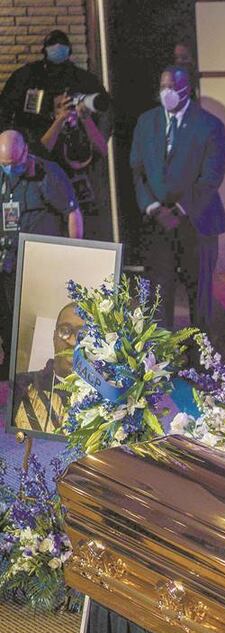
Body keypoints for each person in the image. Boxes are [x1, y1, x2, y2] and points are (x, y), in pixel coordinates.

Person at [131, 66, 225, 331]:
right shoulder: (146, 122)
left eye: (173, 87)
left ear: (188, 88)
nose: (167, 92)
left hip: (197, 224)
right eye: (163, 87)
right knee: (158, 302)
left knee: (200, 304)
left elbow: (211, 178)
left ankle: (203, 363)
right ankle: (162, 366)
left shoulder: (210, 125)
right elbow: (137, 170)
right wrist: (153, 208)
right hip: (156, 225)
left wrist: (180, 210)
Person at [0, 130, 82, 378]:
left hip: (38, 261)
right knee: (7, 319)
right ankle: (9, 372)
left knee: (30, 320)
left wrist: (74, 251)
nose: (10, 170)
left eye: (14, 164)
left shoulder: (48, 174)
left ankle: (32, 371)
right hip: (7, 261)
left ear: (26, 152)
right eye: (4, 165)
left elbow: (72, 212)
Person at [0, 30, 108, 148]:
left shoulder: (83, 79)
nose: (57, 47)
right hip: (33, 147)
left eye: (62, 44)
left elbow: (105, 111)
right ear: (44, 50)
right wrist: (12, 145)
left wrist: (86, 121)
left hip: (72, 149)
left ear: (69, 50)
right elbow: (4, 110)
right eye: (53, 43)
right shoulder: (27, 76)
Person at [11, 302, 84, 434]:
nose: (72, 341)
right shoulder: (19, 384)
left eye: (82, 334)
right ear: (54, 337)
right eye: (65, 331)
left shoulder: (107, 399)